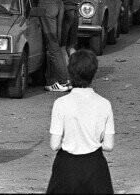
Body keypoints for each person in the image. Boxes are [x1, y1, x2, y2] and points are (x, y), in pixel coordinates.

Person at [46, 50, 114, 194]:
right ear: (93, 73)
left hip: (66, 167)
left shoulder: (61, 103)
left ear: (70, 72)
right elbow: (109, 145)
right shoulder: (104, 104)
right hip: (95, 167)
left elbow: (54, 145)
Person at [11, 0, 69, 92]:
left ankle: (64, 82)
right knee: (58, 43)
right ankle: (61, 79)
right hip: (58, 1)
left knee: (53, 44)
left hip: (46, 3)